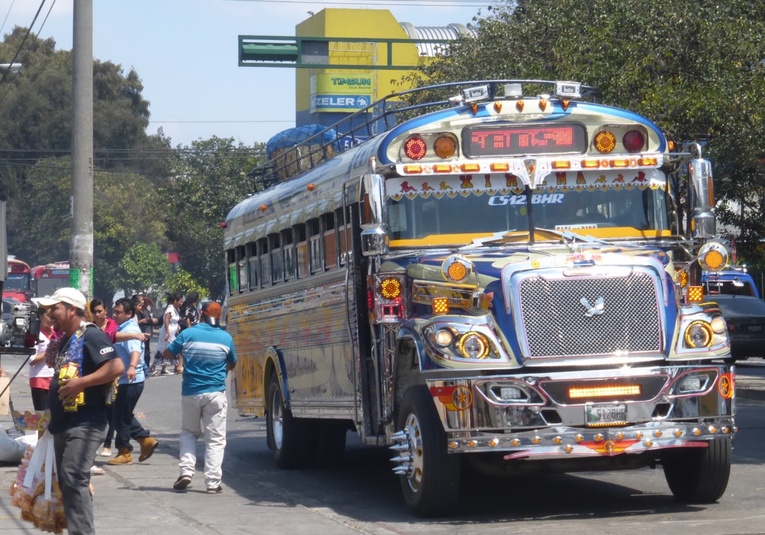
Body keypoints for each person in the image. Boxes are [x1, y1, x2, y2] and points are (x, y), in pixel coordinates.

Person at [36, 288, 124, 535]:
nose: (50, 313)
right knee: (67, 481)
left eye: (55, 308)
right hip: (63, 422)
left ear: (72, 310)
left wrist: (82, 383)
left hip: (85, 422)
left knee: (74, 477)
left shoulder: (91, 335)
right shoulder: (67, 339)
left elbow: (116, 366)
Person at [164, 301, 236, 494]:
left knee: (189, 432)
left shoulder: (188, 334)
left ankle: (186, 472)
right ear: (218, 317)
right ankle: (212, 483)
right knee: (215, 439)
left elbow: (168, 353)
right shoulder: (226, 338)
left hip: (191, 392)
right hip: (215, 394)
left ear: (201, 314)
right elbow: (231, 363)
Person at [107, 298, 159, 465]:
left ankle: (124, 451)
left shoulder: (130, 329)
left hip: (131, 379)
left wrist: (131, 367)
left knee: (120, 417)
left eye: (118, 312)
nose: (114, 315)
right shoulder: (123, 329)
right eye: (114, 311)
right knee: (120, 414)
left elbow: (135, 351)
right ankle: (145, 440)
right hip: (126, 380)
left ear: (129, 314)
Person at [27, 306, 57, 411]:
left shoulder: (56, 332)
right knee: (42, 417)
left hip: (55, 377)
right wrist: (48, 352)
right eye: (48, 316)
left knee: (54, 414)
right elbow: (31, 360)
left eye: (53, 316)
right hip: (39, 378)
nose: (51, 319)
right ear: (40, 315)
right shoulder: (34, 334)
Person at [155, 292, 183, 375]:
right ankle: (177, 367)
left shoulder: (175, 309)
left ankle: (164, 368)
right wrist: (167, 332)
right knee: (173, 348)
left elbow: (173, 320)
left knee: (165, 348)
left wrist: (177, 326)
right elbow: (166, 320)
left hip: (172, 332)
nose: (181, 303)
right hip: (168, 332)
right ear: (175, 301)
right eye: (180, 301)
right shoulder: (170, 308)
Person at [134, 294, 159, 370]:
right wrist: (149, 320)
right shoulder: (136, 312)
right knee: (143, 351)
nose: (143, 302)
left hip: (146, 332)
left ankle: (146, 367)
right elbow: (141, 321)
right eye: (141, 301)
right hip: (141, 332)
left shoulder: (144, 310)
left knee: (147, 351)